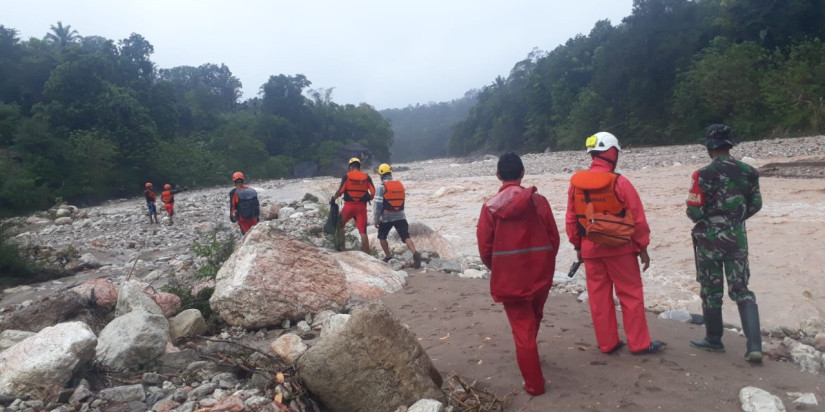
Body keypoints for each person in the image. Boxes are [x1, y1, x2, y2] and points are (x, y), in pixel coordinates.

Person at [565, 132, 664, 355]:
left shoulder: (576, 185)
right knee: (630, 295)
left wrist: (578, 247)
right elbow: (638, 219)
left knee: (599, 299)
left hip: (590, 249)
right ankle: (639, 344)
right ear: (611, 153)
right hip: (621, 249)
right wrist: (643, 247)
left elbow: (571, 219)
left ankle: (608, 343)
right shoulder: (621, 183)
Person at [476, 153, 559, 396]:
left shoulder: (490, 207)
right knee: (533, 319)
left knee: (523, 328)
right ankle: (530, 359)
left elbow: (485, 249)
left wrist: (499, 269)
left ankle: (534, 385)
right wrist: (544, 265)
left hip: (511, 280)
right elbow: (554, 239)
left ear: (499, 176)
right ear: (522, 173)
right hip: (540, 275)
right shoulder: (539, 201)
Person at [687, 124, 763, 363]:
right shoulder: (749, 172)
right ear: (730, 145)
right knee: (742, 290)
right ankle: (754, 347)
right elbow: (756, 204)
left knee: (711, 290)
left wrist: (712, 222)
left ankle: (713, 339)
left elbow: (693, 211)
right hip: (737, 241)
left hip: (708, 243)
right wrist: (735, 221)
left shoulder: (702, 175)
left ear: (709, 149)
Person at [373, 163, 421, 268]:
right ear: (390, 173)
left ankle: (388, 256)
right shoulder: (399, 184)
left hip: (386, 216)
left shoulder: (381, 188)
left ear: (381, 175)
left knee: (382, 236)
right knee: (405, 236)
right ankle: (414, 252)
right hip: (401, 215)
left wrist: (376, 219)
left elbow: (377, 205)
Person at [332, 158, 376, 254]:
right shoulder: (367, 177)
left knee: (340, 225)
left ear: (350, 167)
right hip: (361, 208)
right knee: (363, 231)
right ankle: (367, 253)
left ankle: (342, 248)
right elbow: (373, 192)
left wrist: (333, 198)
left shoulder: (346, 176)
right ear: (359, 167)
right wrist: (369, 198)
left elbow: (340, 191)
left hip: (349, 206)